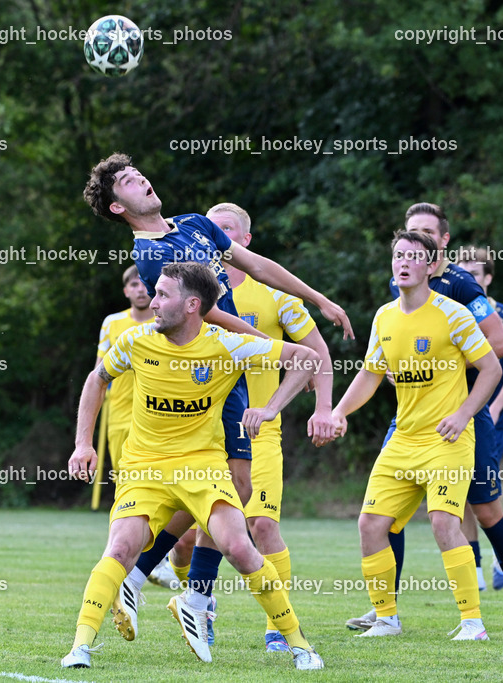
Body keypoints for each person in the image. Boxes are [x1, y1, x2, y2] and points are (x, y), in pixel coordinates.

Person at [83, 153, 345, 645]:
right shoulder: (153, 256)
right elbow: (209, 317)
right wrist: (262, 348)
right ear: (119, 208)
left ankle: (148, 581)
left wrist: (318, 299)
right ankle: (182, 592)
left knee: (236, 491)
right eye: (126, 182)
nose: (140, 178)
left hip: (230, 371)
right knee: (228, 495)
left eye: (137, 172)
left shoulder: (195, 224)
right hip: (206, 374)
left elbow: (259, 265)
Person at [61, 262, 324, 670]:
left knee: (239, 547)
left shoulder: (226, 345)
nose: (152, 302)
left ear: (192, 305)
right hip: (144, 468)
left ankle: (300, 646)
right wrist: (82, 444)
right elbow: (96, 379)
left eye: (163, 295)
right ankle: (79, 647)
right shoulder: (135, 341)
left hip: (202, 467)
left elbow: (306, 358)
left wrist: (271, 408)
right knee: (121, 547)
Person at [347, 203, 503, 634]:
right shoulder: (395, 300)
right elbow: (378, 365)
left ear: (441, 245)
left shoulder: (461, 287)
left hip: (462, 415)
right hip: (411, 422)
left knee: (484, 511)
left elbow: (498, 346)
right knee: (383, 515)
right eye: (407, 239)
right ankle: (385, 612)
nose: (412, 248)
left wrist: (445, 378)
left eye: (425, 237)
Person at [329, 230, 501, 641]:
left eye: (413, 256)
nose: (403, 262)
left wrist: (463, 414)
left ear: (430, 265)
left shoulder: (453, 314)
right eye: (398, 256)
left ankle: (472, 623)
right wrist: (338, 411)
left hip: (447, 441)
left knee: (443, 522)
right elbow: (370, 375)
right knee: (370, 524)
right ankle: (386, 619)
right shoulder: (385, 317)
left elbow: (492, 368)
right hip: (403, 440)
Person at [203, 201, 334, 652]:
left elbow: (318, 354)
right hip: (201, 436)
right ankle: (201, 605)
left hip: (260, 434)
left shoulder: (276, 296)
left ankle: (279, 626)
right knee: (184, 541)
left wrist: (324, 408)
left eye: (224, 230)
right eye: (209, 230)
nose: (215, 238)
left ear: (244, 240)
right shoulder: (196, 298)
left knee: (260, 526)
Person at [456, 247, 503, 592]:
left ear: (488, 277)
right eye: (463, 271)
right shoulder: (452, 310)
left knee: (482, 495)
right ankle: (479, 572)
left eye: (476, 273)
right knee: (463, 495)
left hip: (492, 414)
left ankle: (502, 562)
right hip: (456, 411)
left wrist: (497, 404)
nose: (468, 278)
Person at [95, 264, 154, 477]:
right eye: (134, 284)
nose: (140, 289)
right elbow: (98, 374)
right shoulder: (111, 323)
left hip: (156, 413)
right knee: (123, 477)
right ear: (126, 291)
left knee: (156, 478)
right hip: (119, 412)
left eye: (144, 284)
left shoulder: (165, 323)